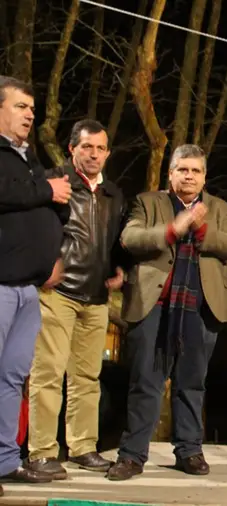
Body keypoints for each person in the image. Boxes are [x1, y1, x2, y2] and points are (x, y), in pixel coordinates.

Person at [107, 144, 227, 481]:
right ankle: (132, 455)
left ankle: (189, 451)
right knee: (146, 383)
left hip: (201, 306)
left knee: (192, 383)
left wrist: (201, 230)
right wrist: (173, 229)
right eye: (182, 169)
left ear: (204, 177)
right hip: (155, 304)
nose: (189, 176)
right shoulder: (147, 202)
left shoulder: (220, 208)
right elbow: (130, 237)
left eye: (196, 171)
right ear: (170, 174)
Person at [26, 120, 127, 479]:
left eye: (100, 148)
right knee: (48, 374)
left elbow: (115, 240)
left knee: (87, 377)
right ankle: (40, 452)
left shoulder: (114, 194)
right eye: (87, 147)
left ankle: (83, 447)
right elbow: (35, 228)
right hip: (58, 292)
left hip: (97, 296)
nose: (94, 154)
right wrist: (45, 264)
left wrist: (120, 269)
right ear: (72, 148)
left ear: (108, 153)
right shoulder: (56, 183)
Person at [0, 75, 71, 490]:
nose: (30, 114)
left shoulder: (28, 158)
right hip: (1, 283)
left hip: (28, 288)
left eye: (31, 107)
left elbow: (46, 204)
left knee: (11, 378)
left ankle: (6, 460)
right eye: (20, 106)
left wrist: (52, 251)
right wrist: (45, 190)